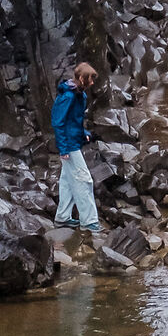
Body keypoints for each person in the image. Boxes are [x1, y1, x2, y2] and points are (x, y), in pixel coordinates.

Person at [52, 60, 99, 232]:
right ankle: (89, 221)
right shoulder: (68, 96)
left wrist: (83, 133)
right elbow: (58, 122)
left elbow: (74, 121)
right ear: (81, 77)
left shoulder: (80, 95)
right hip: (70, 146)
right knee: (84, 181)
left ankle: (62, 217)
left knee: (67, 182)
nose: (92, 83)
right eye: (90, 79)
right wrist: (63, 148)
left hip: (74, 141)